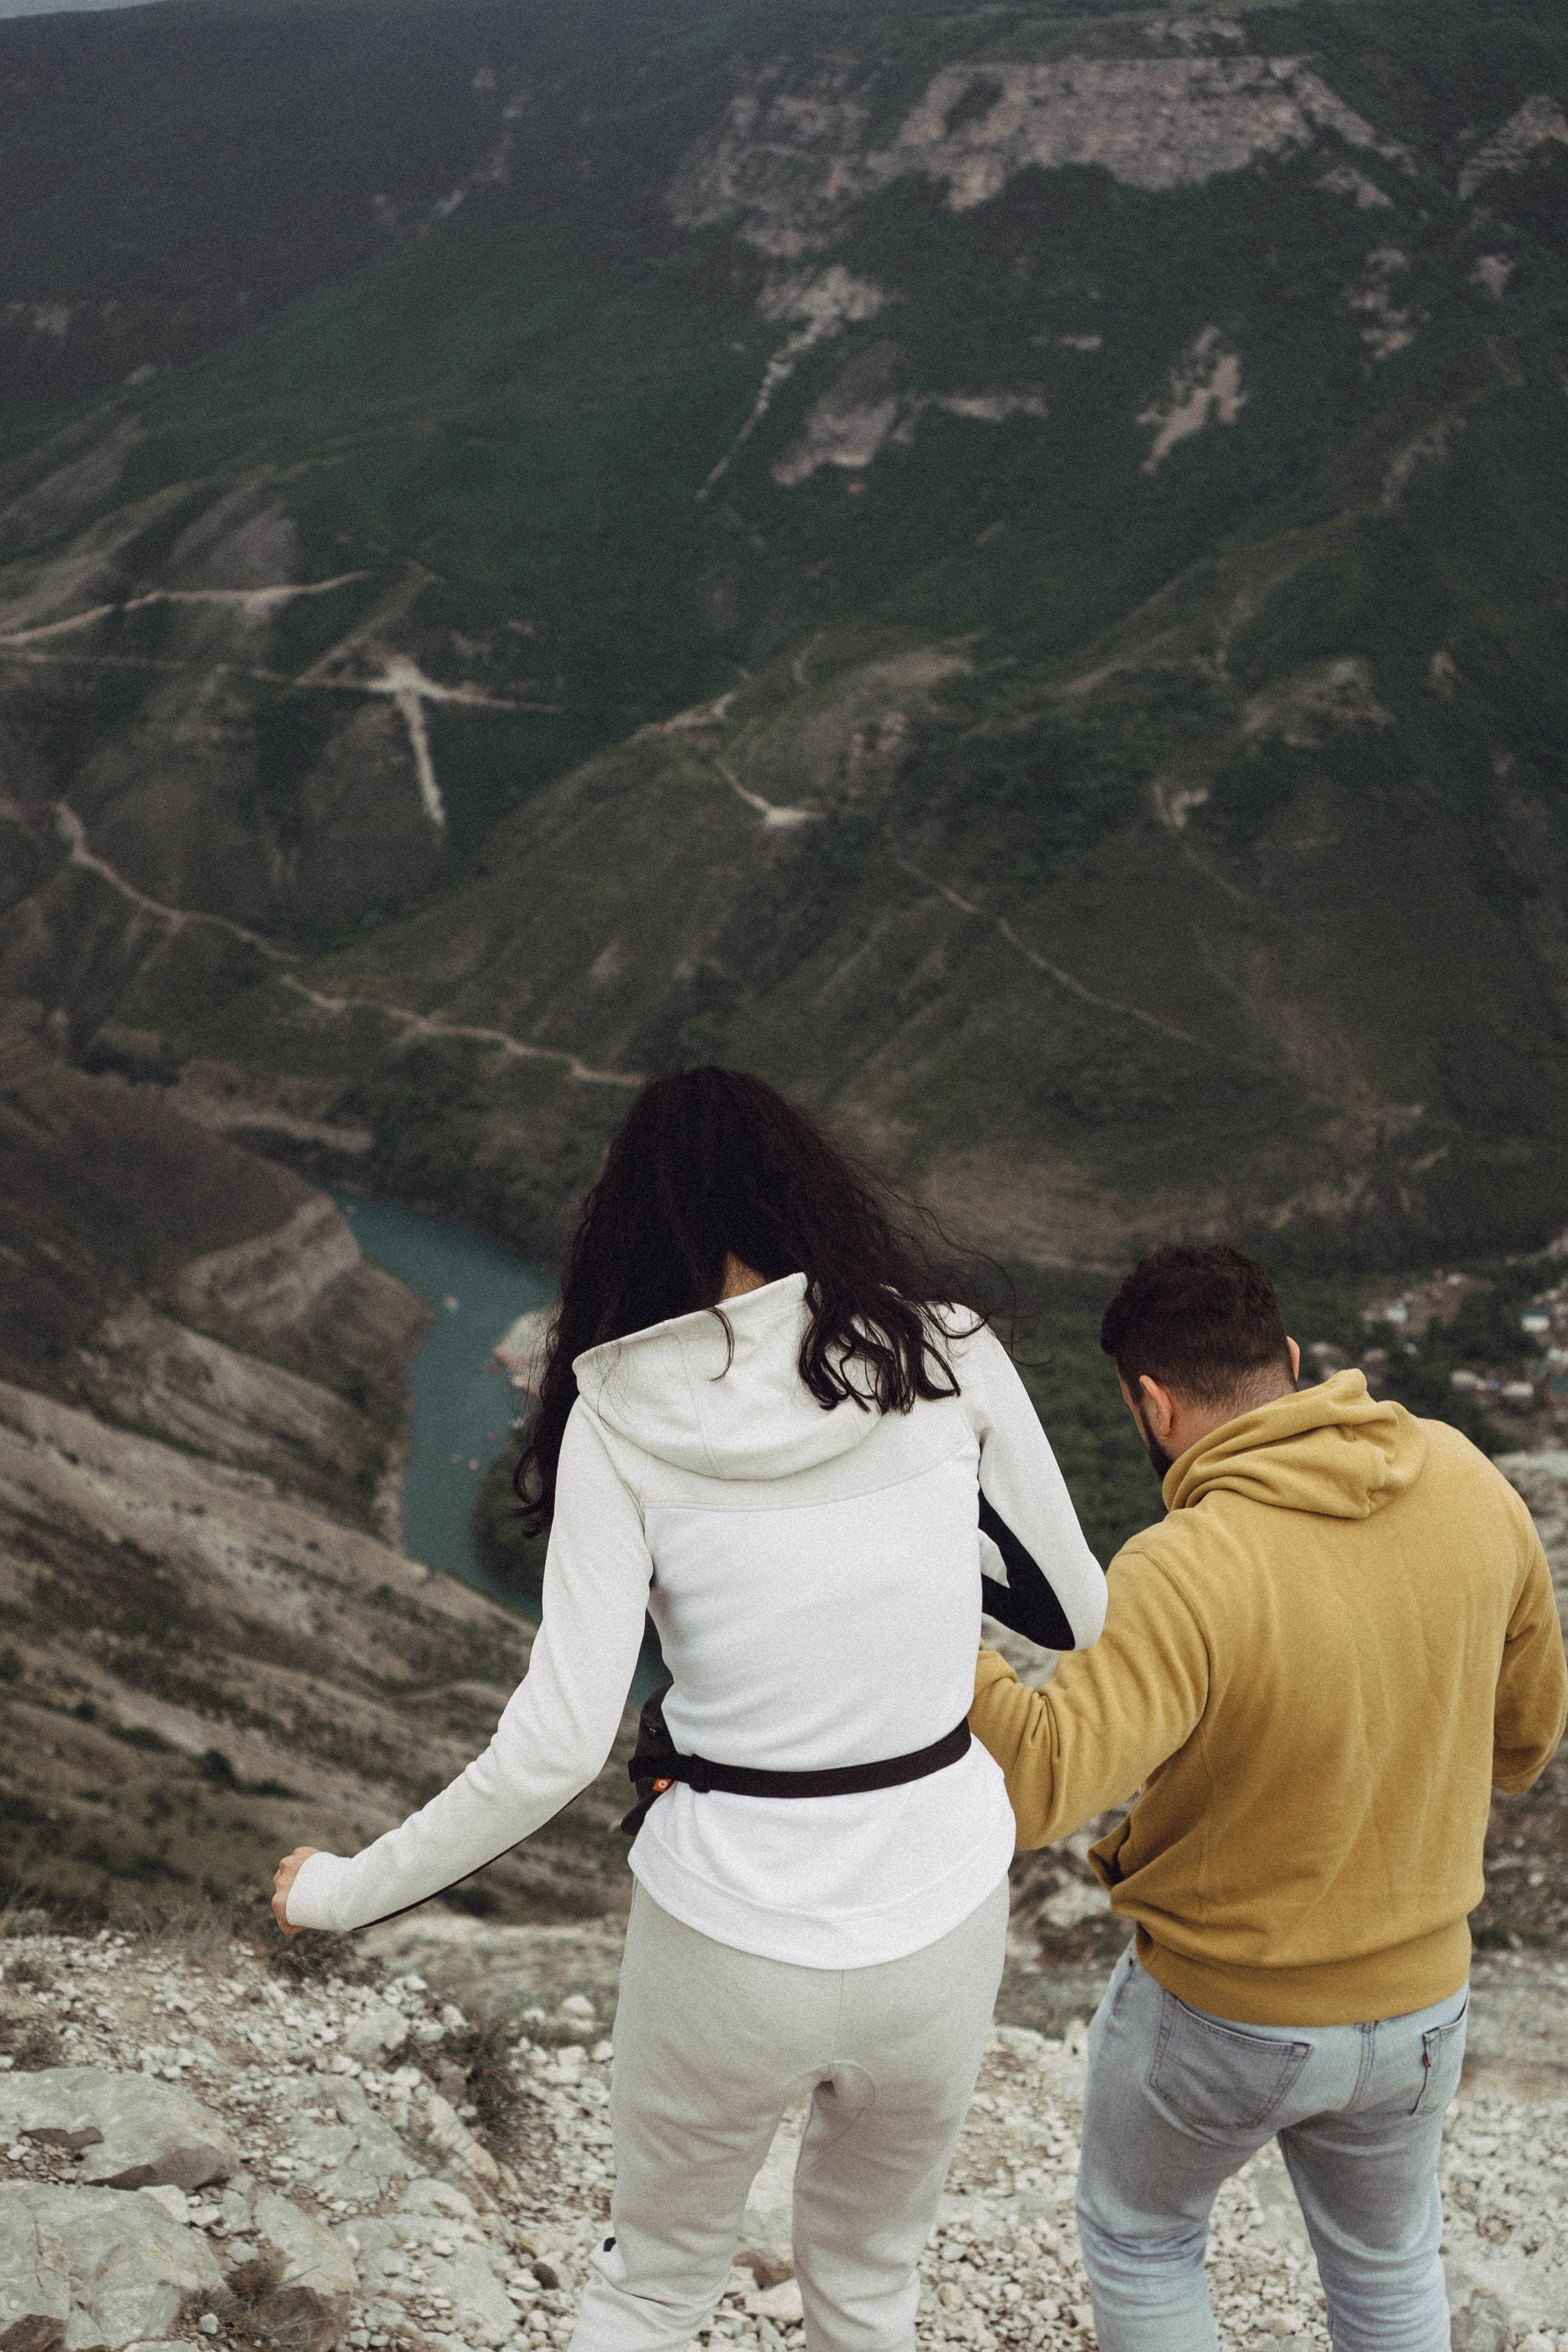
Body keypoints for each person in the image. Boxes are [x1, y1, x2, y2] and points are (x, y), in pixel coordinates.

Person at [273, 1066, 1106, 2352]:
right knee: (870, 2289)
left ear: (636, 1223)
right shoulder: (946, 1351)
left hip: (728, 1928)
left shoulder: (617, 1415)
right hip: (939, 1915)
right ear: (807, 1192)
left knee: (655, 2287)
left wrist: (339, 1892)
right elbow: (1072, 1613)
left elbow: (555, 1749)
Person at [967, 1242, 1568, 2352]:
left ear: (1152, 1404)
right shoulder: (1469, 1479)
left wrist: (945, 1629)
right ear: (1289, 1358)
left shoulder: (1185, 1564)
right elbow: (1526, 1744)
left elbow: (1038, 1784)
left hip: (1226, 2010)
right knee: (1390, 2268)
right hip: (1424, 2007)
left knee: (1145, 2240)